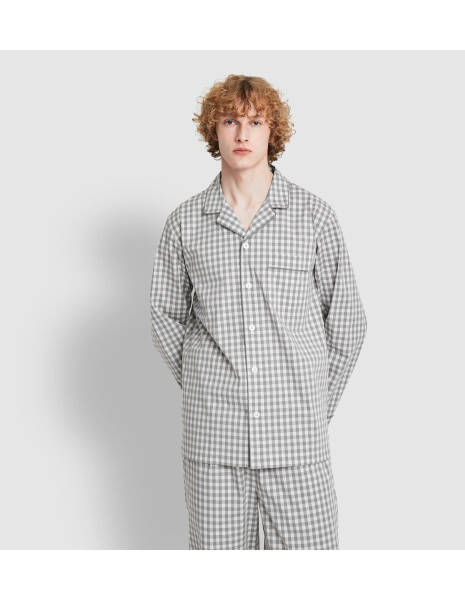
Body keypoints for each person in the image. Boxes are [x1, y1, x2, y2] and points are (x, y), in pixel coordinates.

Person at [150, 74, 368, 549]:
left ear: (274, 131)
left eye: (255, 122)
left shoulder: (314, 216)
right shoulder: (185, 223)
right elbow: (165, 314)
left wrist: (313, 404)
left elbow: (348, 323)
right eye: (230, 121)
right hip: (214, 444)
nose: (242, 134)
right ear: (214, 130)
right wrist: (206, 382)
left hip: (297, 442)